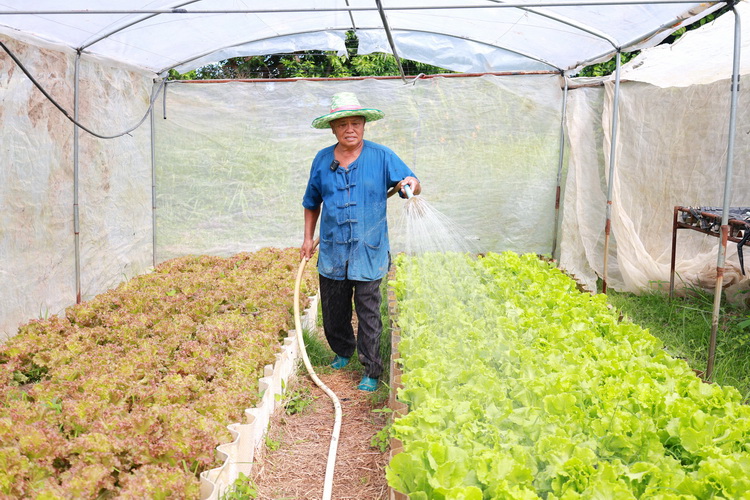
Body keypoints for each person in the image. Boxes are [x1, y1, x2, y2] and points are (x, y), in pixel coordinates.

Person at [300, 92, 420, 392]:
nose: (349, 129)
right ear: (333, 129)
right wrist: (307, 238)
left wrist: (410, 184)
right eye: (342, 124)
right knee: (334, 308)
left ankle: (371, 369)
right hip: (333, 248)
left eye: (355, 123)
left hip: (369, 249)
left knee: (368, 311)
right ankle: (342, 351)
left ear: (364, 125)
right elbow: (311, 202)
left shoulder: (382, 156)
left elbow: (412, 182)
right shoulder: (322, 159)